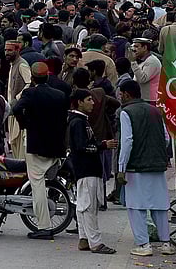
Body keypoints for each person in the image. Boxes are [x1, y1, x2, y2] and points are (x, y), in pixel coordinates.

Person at [116, 80, 175, 257]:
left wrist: (121, 167)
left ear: (127, 94)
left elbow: (127, 142)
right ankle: (166, 244)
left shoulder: (126, 112)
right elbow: (166, 138)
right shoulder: (155, 110)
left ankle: (144, 245)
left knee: (136, 206)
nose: (120, 97)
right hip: (157, 165)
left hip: (136, 167)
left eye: (121, 94)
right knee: (159, 205)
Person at [12, 62, 69, 240]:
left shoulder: (30, 93)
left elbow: (15, 109)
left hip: (36, 146)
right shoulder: (60, 95)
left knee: (37, 185)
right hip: (56, 145)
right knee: (48, 180)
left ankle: (44, 226)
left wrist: (25, 123)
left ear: (33, 78)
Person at [68, 89, 118, 254]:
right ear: (79, 102)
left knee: (84, 205)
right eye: (89, 99)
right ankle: (95, 242)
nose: (93, 102)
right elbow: (82, 147)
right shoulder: (78, 122)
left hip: (87, 169)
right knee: (89, 206)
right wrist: (103, 145)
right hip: (86, 169)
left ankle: (84, 238)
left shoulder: (82, 120)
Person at [5, 40, 30, 158]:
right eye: (5, 50)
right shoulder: (12, 64)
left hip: (19, 110)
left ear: (17, 50)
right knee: (14, 144)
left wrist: (18, 98)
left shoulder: (22, 65)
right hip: (12, 109)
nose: (7, 53)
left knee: (19, 145)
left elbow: (29, 83)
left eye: (10, 50)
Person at [130, 38, 161, 103]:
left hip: (149, 99)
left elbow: (142, 79)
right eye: (133, 46)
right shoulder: (143, 59)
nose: (133, 49)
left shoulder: (152, 61)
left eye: (136, 46)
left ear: (144, 48)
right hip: (142, 98)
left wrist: (133, 62)